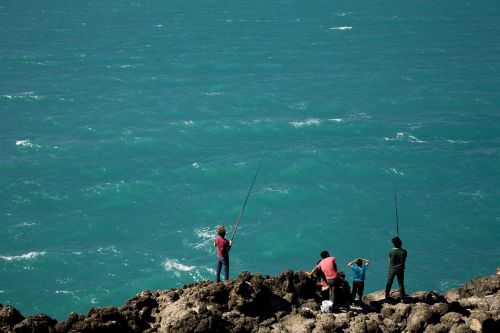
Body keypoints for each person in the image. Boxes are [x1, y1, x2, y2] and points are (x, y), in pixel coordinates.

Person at [385, 236, 407, 300]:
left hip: (392, 269)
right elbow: (404, 259)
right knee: (401, 284)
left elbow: (389, 260)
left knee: (389, 282)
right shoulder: (404, 251)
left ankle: (387, 296)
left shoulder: (391, 251)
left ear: (393, 244)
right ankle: (402, 298)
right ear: (400, 243)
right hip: (400, 269)